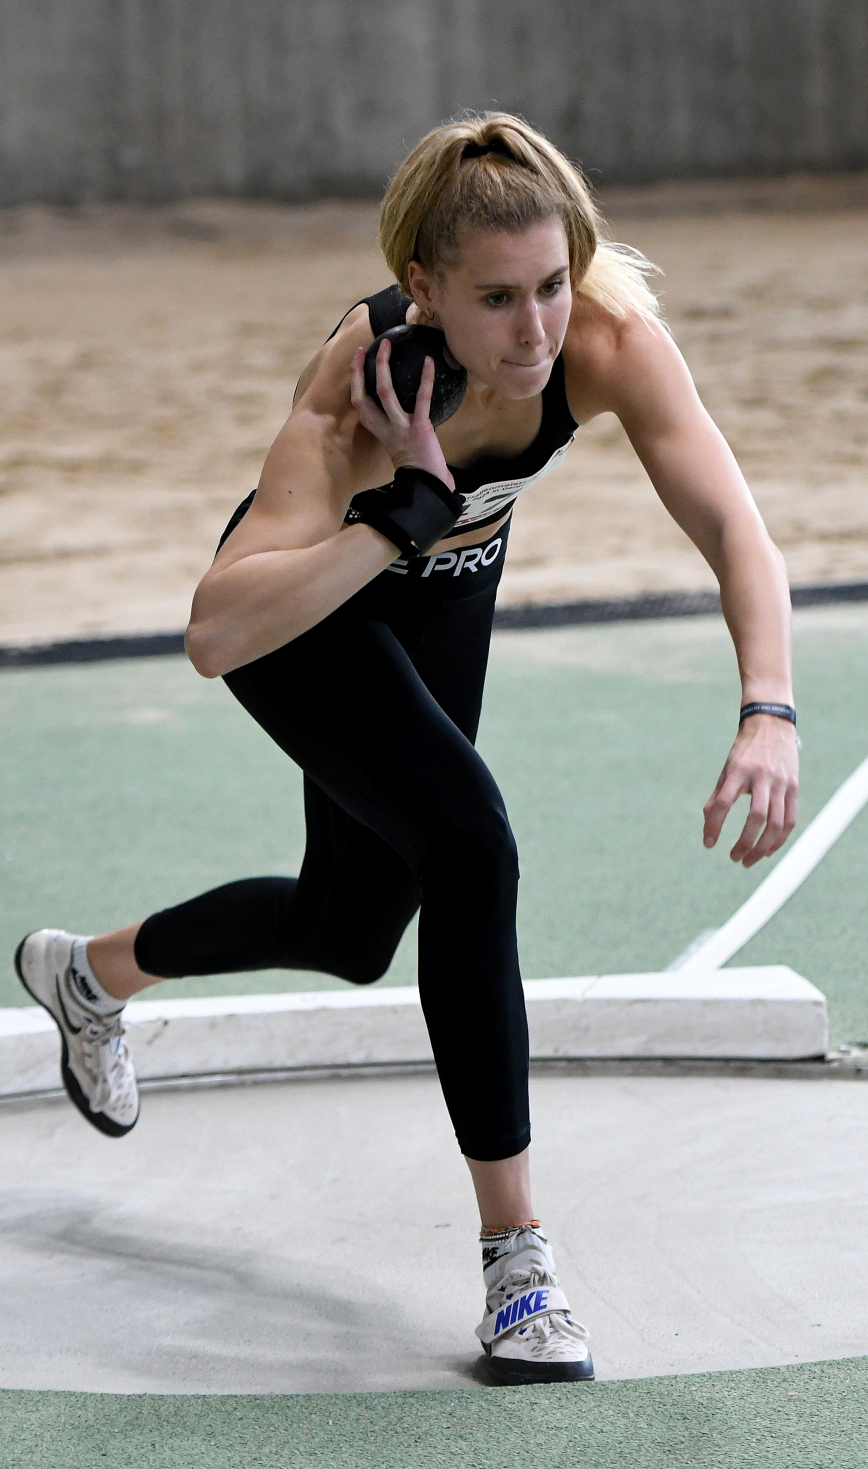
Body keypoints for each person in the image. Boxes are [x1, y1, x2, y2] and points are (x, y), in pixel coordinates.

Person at [16, 112, 799, 1387]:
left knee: (350, 922)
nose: (535, 330)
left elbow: (735, 525)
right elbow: (217, 629)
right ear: (424, 290)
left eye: (552, 284)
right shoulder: (355, 392)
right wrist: (393, 522)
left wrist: (769, 704)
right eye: (498, 300)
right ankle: (518, 1263)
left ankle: (88, 974)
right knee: (471, 843)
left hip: (440, 593)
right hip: (316, 606)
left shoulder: (603, 340)